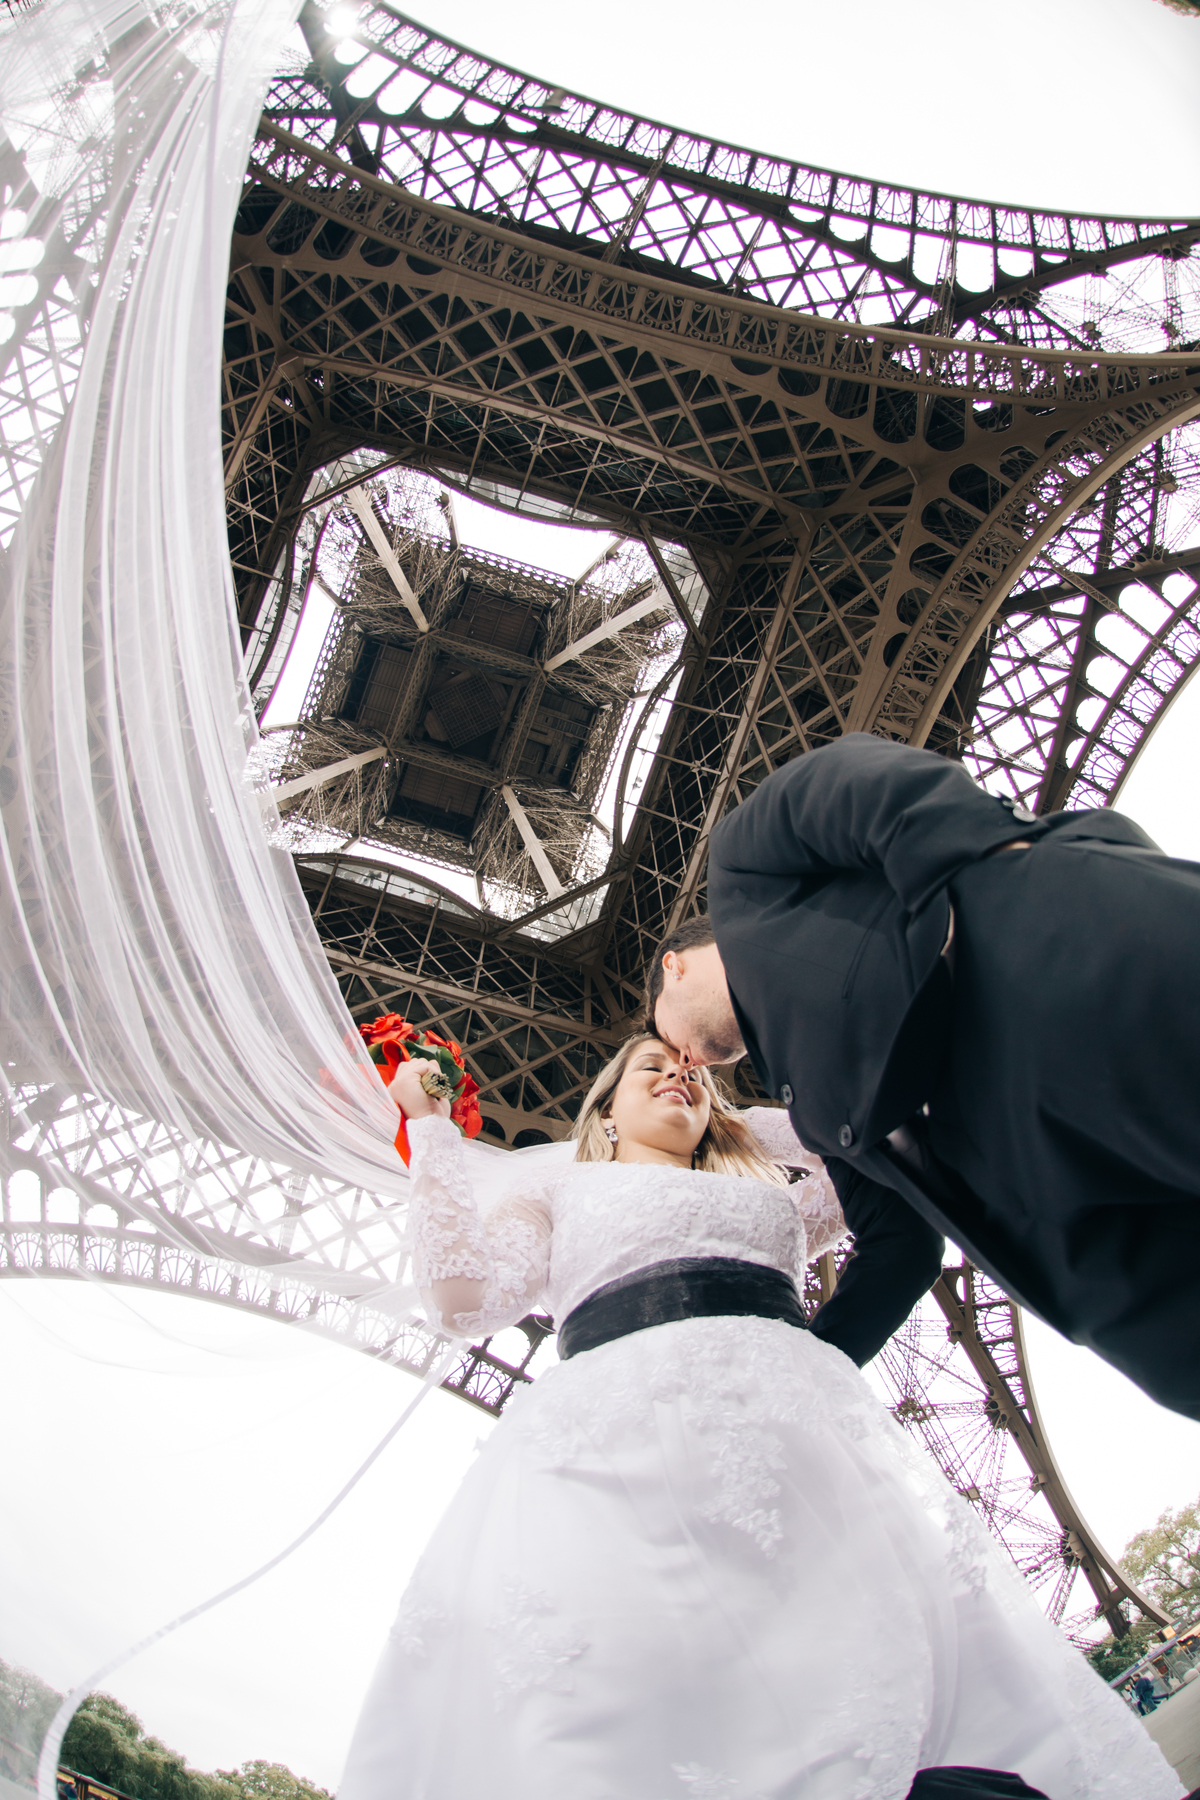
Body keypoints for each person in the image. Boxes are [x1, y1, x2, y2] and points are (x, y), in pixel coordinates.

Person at [337, 1035, 1181, 1800]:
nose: (677, 1073)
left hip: (799, 1447)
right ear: (601, 1107)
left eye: (692, 1072)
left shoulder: (774, 1194)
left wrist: (733, 1113)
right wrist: (433, 1131)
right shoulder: (555, 1184)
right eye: (650, 1067)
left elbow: (848, 1143)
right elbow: (464, 1300)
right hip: (622, 1460)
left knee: (870, 1663)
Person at [649, 732, 1200, 1419]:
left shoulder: (743, 877)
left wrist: (997, 861)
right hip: (1091, 1233)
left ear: (673, 965)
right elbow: (903, 1243)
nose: (681, 1062)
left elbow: (851, 781)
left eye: (661, 1035)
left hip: (1058, 987)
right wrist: (807, 1369)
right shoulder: (809, 1106)